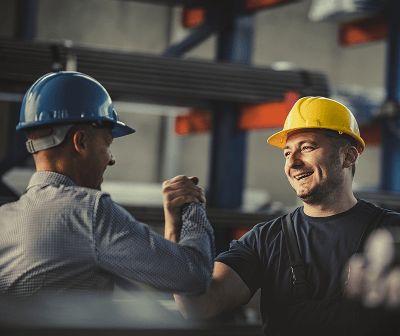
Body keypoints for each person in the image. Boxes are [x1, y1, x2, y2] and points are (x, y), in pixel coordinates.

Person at [174, 96, 400, 335]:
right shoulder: (265, 239)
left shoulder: (393, 232)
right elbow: (198, 305)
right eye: (287, 153)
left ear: (349, 156)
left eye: (307, 147)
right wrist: (179, 232)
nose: (293, 162)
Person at [0, 71, 215, 298]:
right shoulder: (89, 212)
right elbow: (195, 275)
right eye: (107, 144)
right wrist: (192, 205)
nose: (111, 159)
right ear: (81, 142)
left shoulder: (4, 219)